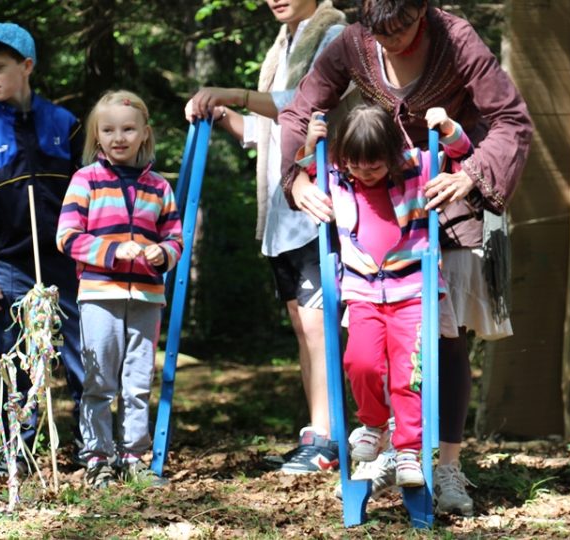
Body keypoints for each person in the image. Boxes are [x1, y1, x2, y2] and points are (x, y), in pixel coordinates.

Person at [279, 0, 533, 515]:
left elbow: (511, 120)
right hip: (375, 192)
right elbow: (300, 110)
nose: (392, 41)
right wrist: (296, 176)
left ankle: (448, 465)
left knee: (447, 335)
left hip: (449, 186)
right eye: (381, 30)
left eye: (402, 28)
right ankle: (395, 444)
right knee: (372, 345)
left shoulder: (456, 39)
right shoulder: (352, 42)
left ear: (423, 9)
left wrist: (472, 175)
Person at [184, 0, 347, 475]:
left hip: (319, 202)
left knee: (321, 328)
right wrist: (219, 112)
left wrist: (230, 91)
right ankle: (317, 432)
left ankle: (332, 438)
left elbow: (302, 103)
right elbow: (262, 131)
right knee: (302, 328)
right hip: (281, 213)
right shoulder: (280, 48)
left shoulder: (334, 37)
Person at [301, 104, 467, 489]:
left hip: (412, 291)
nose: (365, 173)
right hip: (363, 291)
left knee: (410, 373)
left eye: (374, 166)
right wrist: (311, 142)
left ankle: (408, 449)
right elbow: (306, 168)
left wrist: (445, 126)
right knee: (360, 362)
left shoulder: (415, 168)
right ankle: (374, 425)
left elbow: (459, 152)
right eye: (356, 165)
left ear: (391, 155)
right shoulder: (338, 174)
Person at [0, 21, 85, 480]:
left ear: (26, 67)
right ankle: (18, 453)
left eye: (0, 67)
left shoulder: (64, 125)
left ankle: (95, 449)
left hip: (65, 262)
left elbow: (88, 188)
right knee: (15, 361)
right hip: (7, 264)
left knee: (81, 354)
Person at [56, 90, 183, 490]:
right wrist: (113, 250)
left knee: (138, 379)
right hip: (99, 295)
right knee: (99, 378)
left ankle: (132, 456)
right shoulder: (86, 180)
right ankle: (97, 457)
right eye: (108, 130)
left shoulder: (159, 187)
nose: (119, 137)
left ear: (145, 134)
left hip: (146, 297)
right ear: (97, 135)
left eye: (128, 129)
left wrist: (163, 254)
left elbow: (176, 238)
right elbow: (67, 237)